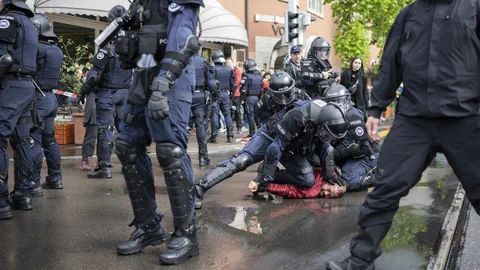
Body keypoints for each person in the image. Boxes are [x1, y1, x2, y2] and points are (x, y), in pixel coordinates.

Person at [327, 1, 480, 269]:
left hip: (466, 117)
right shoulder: (408, 14)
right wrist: (375, 107)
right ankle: (361, 259)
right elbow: (390, 62)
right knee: (385, 186)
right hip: (414, 119)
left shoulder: (474, 7)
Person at [113, 0, 204, 265]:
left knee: (170, 151)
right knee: (127, 145)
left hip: (171, 76)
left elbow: (183, 39)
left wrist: (164, 82)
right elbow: (137, 48)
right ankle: (149, 226)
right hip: (143, 73)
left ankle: (187, 234)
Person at [195, 97, 349, 209]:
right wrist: (265, 177)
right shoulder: (300, 115)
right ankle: (200, 187)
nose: (327, 138)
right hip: (272, 136)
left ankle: (269, 175)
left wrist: (330, 174)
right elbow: (275, 148)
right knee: (242, 161)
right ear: (321, 123)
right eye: (327, 134)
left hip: (293, 146)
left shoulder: (325, 122)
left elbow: (326, 147)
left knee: (307, 180)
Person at [77, 5, 133, 179]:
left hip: (107, 95)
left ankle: (104, 167)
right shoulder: (132, 52)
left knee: (105, 130)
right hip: (126, 95)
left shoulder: (107, 50)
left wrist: (82, 93)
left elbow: (93, 78)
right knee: (125, 131)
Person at [0, 0, 37, 218]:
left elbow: (3, 58)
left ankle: (2, 202)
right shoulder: (30, 24)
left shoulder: (7, 20)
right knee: (22, 139)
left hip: (11, 86)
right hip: (27, 87)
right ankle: (23, 195)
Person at [30, 13, 64, 195]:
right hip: (51, 99)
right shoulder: (57, 50)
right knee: (49, 140)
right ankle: (56, 178)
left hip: (38, 99)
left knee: (34, 140)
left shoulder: (36, 49)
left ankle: (34, 185)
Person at [190, 53, 217, 166]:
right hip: (199, 96)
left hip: (183, 95)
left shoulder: (180, 59)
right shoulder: (203, 62)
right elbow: (212, 83)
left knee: (179, 126)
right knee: (200, 125)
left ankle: (177, 157)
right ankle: (203, 157)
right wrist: (215, 95)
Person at [248, 168, 347, 199]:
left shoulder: (313, 191)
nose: (325, 194)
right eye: (329, 190)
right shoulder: (329, 170)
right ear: (331, 181)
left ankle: (269, 174)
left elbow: (290, 190)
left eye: (329, 196)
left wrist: (267, 187)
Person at [208, 50, 234, 143]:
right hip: (225, 93)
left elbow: (210, 82)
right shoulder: (229, 69)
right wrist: (231, 94)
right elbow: (232, 84)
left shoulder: (213, 69)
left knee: (214, 114)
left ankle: (214, 135)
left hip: (215, 94)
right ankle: (230, 135)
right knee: (227, 114)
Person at [240, 59, 262, 137]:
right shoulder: (259, 76)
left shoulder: (246, 75)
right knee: (257, 115)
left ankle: (252, 132)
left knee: (250, 115)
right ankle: (260, 129)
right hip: (257, 98)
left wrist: (242, 99)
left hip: (249, 98)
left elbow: (244, 89)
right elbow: (261, 89)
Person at [226, 57, 244, 134]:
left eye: (229, 62)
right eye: (227, 62)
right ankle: (230, 128)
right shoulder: (228, 70)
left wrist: (230, 87)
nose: (227, 64)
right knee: (230, 111)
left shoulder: (236, 71)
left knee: (237, 111)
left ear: (232, 63)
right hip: (230, 93)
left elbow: (238, 81)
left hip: (236, 93)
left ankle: (239, 127)